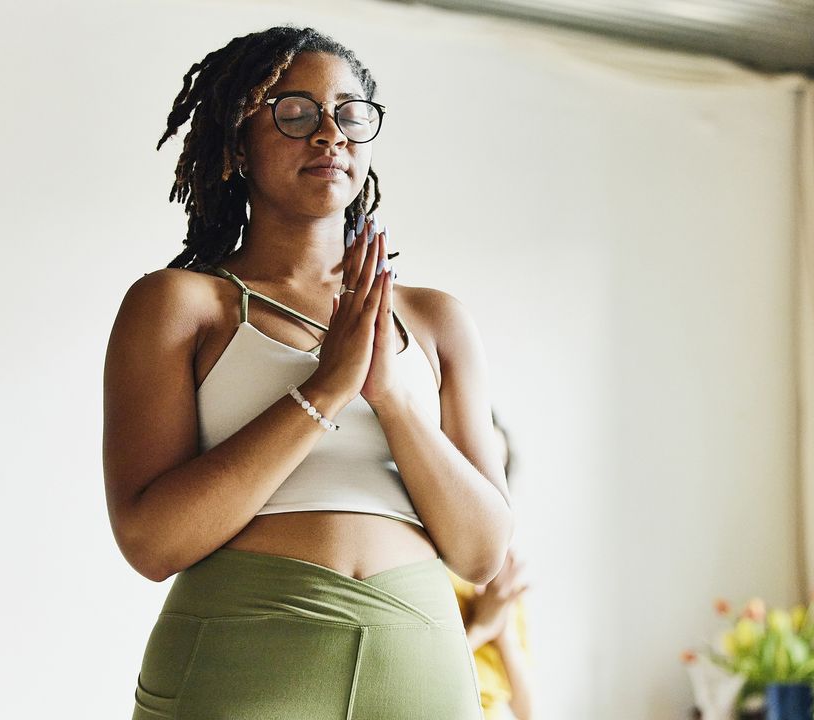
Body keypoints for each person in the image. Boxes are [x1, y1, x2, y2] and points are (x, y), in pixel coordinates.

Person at [101, 25, 513, 720]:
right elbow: (152, 542)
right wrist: (324, 388)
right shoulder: (180, 305)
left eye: (351, 114)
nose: (331, 135)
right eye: (295, 113)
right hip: (244, 647)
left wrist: (390, 397)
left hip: (419, 655)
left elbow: (481, 555)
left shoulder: (437, 320)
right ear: (237, 144)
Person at [449, 412, 536, 719]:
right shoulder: (426, 558)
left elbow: (527, 711)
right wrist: (481, 628)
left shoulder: (502, 575)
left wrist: (503, 629)